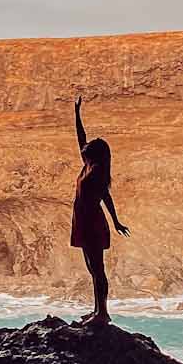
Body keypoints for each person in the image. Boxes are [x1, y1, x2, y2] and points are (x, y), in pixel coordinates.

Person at [71, 93, 128, 325]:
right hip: (83, 221)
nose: (82, 151)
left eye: (87, 151)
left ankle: (102, 313)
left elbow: (106, 198)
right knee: (92, 269)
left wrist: (115, 222)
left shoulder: (97, 172)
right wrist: (76, 114)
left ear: (94, 155)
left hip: (93, 222)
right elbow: (81, 139)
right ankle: (97, 310)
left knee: (98, 268)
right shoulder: (89, 165)